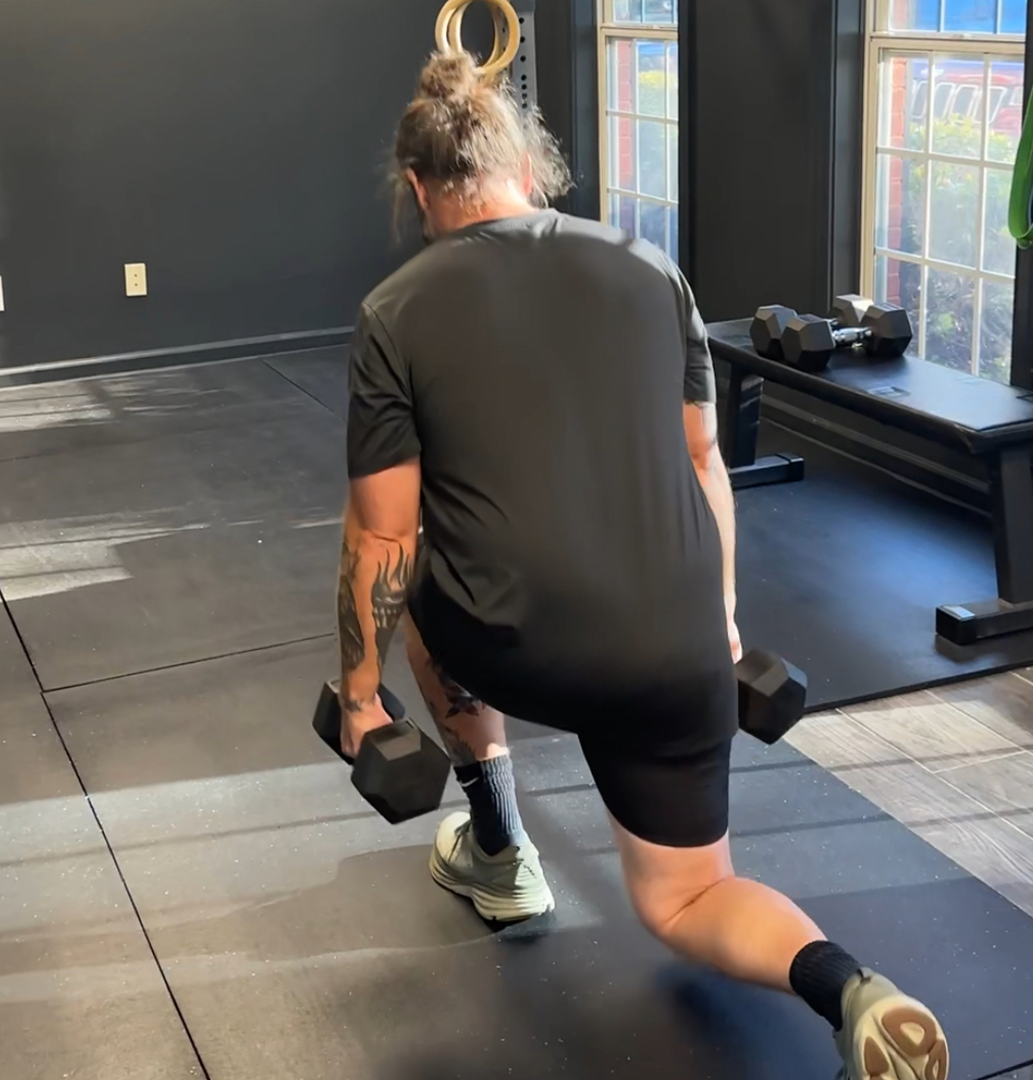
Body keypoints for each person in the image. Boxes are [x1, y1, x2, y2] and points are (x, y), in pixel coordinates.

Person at [335, 50, 949, 1080]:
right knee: (687, 898)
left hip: (512, 646)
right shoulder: (649, 264)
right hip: (674, 647)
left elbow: (384, 538)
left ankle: (498, 848)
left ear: (418, 190)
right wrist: (721, 621)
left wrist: (359, 697)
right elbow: (705, 460)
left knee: (411, 560)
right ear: (530, 169)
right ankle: (851, 987)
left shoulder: (392, 312)